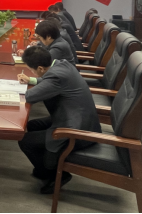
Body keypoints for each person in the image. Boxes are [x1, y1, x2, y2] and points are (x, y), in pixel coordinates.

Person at [17, 47, 101, 194]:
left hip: (77, 130)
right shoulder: (62, 64)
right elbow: (47, 80)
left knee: (25, 141)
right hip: (77, 118)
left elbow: (30, 96)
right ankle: (44, 165)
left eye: (31, 70)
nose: (32, 73)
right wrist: (32, 80)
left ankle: (56, 175)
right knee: (32, 125)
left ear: (41, 68)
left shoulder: (56, 78)